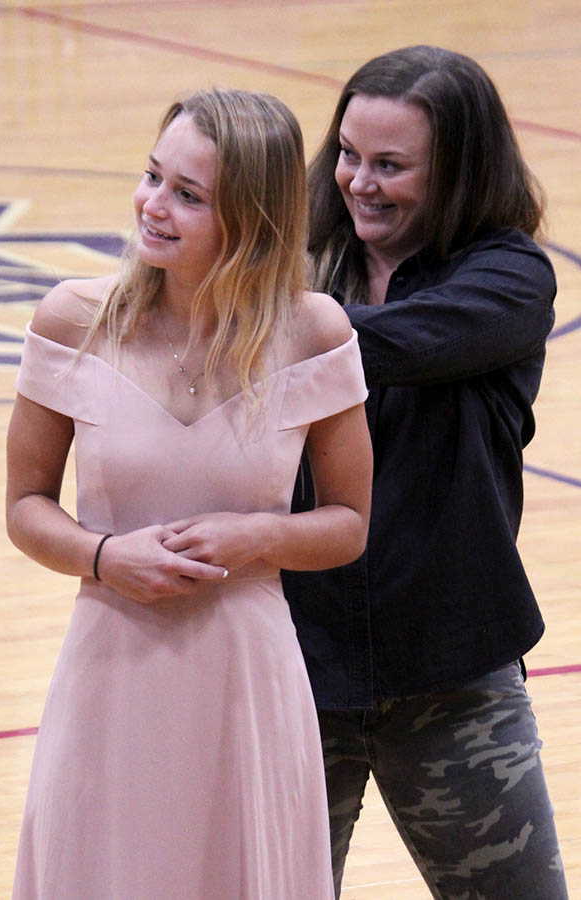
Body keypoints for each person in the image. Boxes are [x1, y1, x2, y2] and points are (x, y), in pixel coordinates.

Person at [6, 88, 373, 900]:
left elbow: (348, 524)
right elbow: (25, 508)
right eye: (152, 176)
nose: (152, 206)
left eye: (188, 195)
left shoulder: (313, 331)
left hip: (246, 675)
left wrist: (258, 539)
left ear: (252, 217)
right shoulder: (73, 320)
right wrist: (104, 557)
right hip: (112, 666)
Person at [281, 45, 570, 900]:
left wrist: (241, 323)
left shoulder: (509, 281)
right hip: (294, 673)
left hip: (455, 684)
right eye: (347, 154)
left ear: (459, 173)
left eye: (391, 166)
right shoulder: (301, 262)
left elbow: (377, 346)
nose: (357, 182)